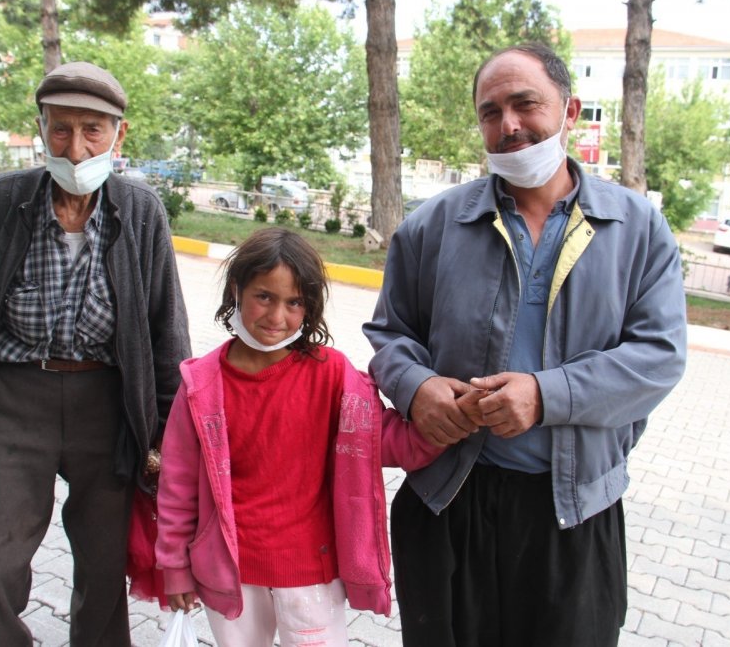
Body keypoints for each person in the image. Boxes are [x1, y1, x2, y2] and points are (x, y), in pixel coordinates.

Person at [363, 42, 688, 647]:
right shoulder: (432, 226)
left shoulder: (637, 229)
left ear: (570, 111)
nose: (508, 125)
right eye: (491, 112)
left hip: (575, 512)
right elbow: (390, 334)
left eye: (525, 104)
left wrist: (546, 395)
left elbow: (659, 356)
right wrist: (417, 388)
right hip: (448, 499)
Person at [0, 61, 192, 646]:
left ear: (118, 136)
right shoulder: (2, 203)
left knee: (103, 566)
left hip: (107, 406)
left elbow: (165, 328)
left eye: (92, 130)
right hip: (13, 399)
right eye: (60, 129)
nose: (75, 149)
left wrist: (164, 430)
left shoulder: (141, 212)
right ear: (41, 128)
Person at [154, 227, 442, 646]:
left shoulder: (332, 375)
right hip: (230, 575)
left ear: (310, 308)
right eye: (264, 296)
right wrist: (175, 566)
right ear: (237, 288)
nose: (276, 317)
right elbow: (177, 485)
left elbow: (383, 441)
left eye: (294, 303)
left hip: (311, 575)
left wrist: (442, 428)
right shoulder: (200, 385)